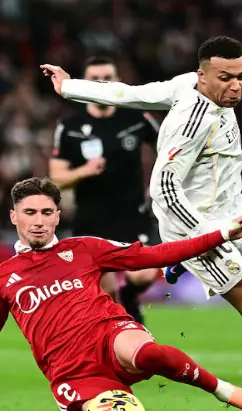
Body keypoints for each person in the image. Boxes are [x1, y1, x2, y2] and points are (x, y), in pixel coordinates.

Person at [40, 35, 242, 411]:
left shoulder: (189, 83)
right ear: (203, 76)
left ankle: (178, 262)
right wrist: (211, 236)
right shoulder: (191, 121)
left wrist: (69, 87)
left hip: (234, 210)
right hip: (194, 225)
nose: (235, 86)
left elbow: (130, 93)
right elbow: (164, 189)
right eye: (226, 78)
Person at [0, 177, 242, 411]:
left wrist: (223, 234)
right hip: (71, 371)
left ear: (58, 216)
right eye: (29, 212)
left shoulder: (84, 249)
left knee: (149, 354)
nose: (39, 221)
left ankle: (228, 392)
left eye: (47, 212)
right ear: (13, 216)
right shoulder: (0, 279)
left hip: (108, 335)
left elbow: (156, 255)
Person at [49, 56, 162, 325]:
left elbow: (168, 145)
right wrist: (83, 172)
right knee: (104, 292)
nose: (102, 83)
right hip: (92, 217)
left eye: (107, 78)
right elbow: (57, 177)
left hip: (132, 212)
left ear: (117, 80)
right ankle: (126, 338)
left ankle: (130, 295)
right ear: (83, 84)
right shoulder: (70, 127)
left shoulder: (136, 116)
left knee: (144, 274)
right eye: (95, 79)